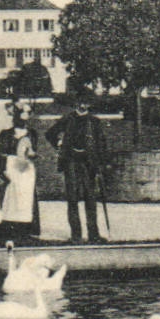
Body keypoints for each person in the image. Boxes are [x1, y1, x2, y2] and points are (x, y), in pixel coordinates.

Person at [46, 92, 108, 244]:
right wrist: (59, 144)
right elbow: (50, 133)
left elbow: (101, 143)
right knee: (73, 198)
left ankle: (93, 235)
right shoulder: (68, 119)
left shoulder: (94, 121)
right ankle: (76, 235)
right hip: (71, 161)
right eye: (80, 102)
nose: (82, 105)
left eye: (86, 102)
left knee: (90, 198)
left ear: (89, 104)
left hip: (88, 163)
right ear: (76, 103)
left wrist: (101, 163)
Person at [0, 106, 40, 237]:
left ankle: (26, 227)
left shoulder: (32, 134)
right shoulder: (6, 134)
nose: (22, 121)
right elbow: (1, 153)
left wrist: (32, 154)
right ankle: (8, 226)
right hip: (11, 166)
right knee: (11, 196)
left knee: (26, 196)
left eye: (26, 116)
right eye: (19, 117)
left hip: (26, 168)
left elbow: (33, 150)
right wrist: (2, 170)